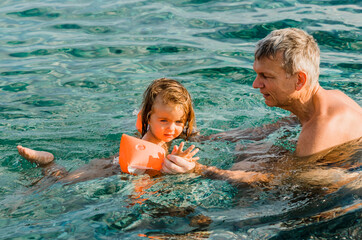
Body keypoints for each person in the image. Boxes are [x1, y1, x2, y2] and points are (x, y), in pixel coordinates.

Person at [162, 28, 362, 183]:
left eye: (266, 76)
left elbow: (274, 181)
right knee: (251, 150)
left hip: (346, 185)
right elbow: (275, 127)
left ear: (299, 80)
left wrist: (197, 169)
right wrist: (200, 137)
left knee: (248, 164)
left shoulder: (320, 130)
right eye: (257, 74)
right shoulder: (325, 100)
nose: (256, 84)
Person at [17, 78, 199, 184]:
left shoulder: (161, 132)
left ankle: (49, 165)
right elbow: (149, 175)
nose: (171, 128)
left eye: (178, 122)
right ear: (148, 117)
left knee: (65, 178)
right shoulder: (150, 144)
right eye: (164, 120)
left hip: (114, 160)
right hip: (111, 168)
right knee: (64, 182)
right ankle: (48, 163)